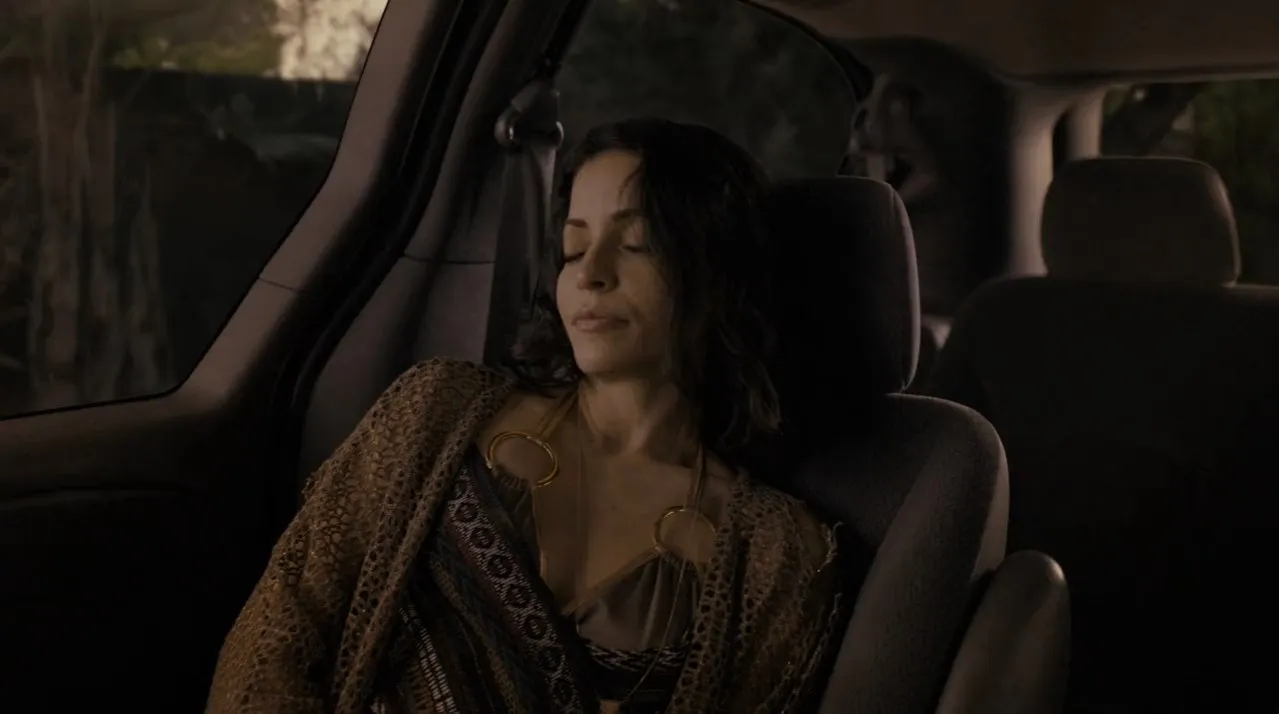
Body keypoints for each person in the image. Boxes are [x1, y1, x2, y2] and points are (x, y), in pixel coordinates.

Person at [206, 118, 843, 714]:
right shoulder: (435, 410)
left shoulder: (775, 553)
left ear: (720, 270)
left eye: (637, 243)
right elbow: (278, 634)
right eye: (573, 248)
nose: (591, 275)